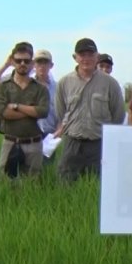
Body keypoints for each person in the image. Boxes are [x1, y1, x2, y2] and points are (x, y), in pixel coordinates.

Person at [54, 37, 125, 181]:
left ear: (97, 57)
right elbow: (61, 112)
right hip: (73, 144)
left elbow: (118, 115)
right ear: (75, 57)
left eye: (90, 54)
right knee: (66, 185)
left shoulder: (110, 83)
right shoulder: (64, 82)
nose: (86, 59)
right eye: (82, 55)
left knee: (98, 187)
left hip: (99, 144)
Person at [0, 43, 49, 178]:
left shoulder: (40, 88)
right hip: (10, 142)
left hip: (34, 144)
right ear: (13, 61)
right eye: (18, 60)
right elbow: (1, 112)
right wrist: (31, 111)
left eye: (26, 61)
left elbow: (43, 112)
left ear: (32, 63)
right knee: (7, 183)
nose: (22, 63)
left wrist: (17, 106)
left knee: (33, 185)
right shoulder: (3, 87)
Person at [33, 49, 58, 138]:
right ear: (33, 65)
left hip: (50, 134)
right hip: (30, 134)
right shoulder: (27, 86)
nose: (42, 66)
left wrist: (58, 132)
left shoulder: (57, 87)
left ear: (51, 65)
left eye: (45, 62)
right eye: (39, 62)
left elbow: (62, 112)